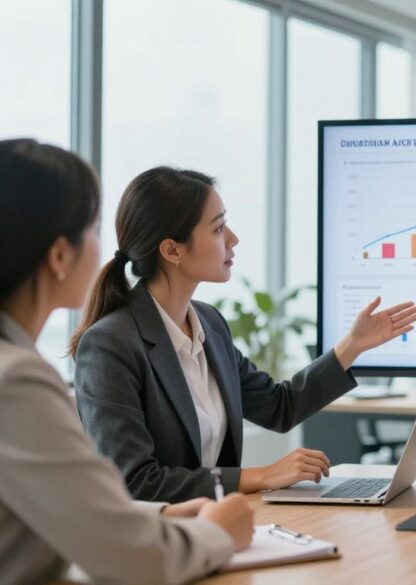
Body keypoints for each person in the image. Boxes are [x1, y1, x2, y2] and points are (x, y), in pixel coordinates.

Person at [71, 166, 416, 503]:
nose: (234, 239)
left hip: (216, 527)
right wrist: (263, 476)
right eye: (219, 228)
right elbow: (135, 481)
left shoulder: (209, 324)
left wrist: (353, 344)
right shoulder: (110, 345)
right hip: (157, 542)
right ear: (172, 250)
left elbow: (279, 407)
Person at [0, 138, 254, 584]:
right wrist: (218, 535)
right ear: (60, 255)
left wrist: (164, 512)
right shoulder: (15, 382)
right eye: (94, 229)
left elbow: (73, 508)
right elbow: (130, 560)